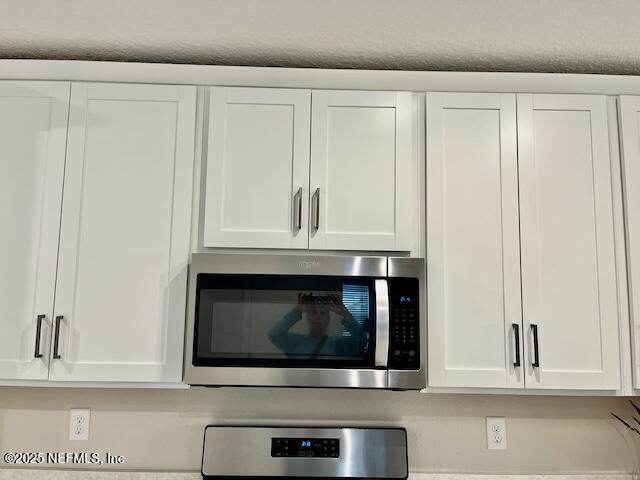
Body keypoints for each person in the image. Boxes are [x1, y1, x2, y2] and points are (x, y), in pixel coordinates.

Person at [268, 293, 363, 358]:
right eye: (314, 312)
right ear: (308, 318)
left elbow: (362, 341)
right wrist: (296, 312)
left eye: (322, 313)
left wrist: (347, 315)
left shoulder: (337, 344)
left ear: (328, 319)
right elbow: (274, 335)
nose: (318, 316)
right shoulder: (295, 342)